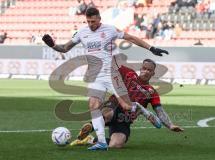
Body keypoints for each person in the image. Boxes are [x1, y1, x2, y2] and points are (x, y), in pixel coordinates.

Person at [42, 7, 169, 151]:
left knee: (127, 106)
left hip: (112, 74)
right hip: (96, 76)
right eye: (88, 21)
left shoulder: (110, 30)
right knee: (93, 105)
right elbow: (65, 48)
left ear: (99, 19)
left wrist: (151, 48)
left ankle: (140, 109)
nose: (91, 24)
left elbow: (131, 38)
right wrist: (52, 45)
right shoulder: (82, 33)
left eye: (93, 21)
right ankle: (101, 142)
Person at [70, 59, 184, 148]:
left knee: (116, 144)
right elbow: (112, 65)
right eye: (144, 68)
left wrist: (170, 125)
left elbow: (159, 110)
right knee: (108, 114)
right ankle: (90, 126)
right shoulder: (129, 73)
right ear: (141, 68)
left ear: (153, 73)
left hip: (124, 120)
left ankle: (90, 139)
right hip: (114, 106)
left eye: (149, 70)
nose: (146, 71)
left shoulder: (152, 92)